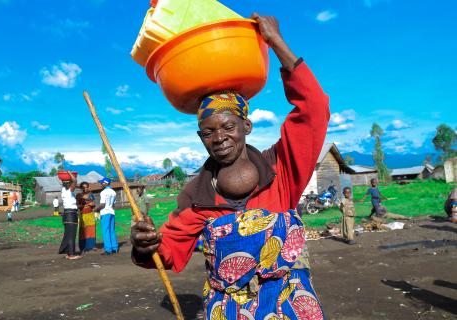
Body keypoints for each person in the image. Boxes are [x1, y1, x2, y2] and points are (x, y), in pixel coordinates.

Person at [131, 14, 329, 319]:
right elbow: (169, 251)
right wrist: (147, 246)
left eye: (228, 127)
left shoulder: (281, 169)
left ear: (246, 126)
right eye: (208, 133)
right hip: (229, 310)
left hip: (290, 306)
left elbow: (314, 108)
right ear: (200, 138)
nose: (219, 138)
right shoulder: (197, 196)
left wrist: (276, 41)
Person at [58, 171, 82, 260]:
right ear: (70, 184)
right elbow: (74, 181)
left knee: (68, 235)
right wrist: (69, 172)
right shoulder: (68, 191)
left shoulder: (64, 190)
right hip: (71, 214)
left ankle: (68, 253)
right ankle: (71, 255)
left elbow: (74, 183)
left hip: (67, 214)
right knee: (72, 235)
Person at [94, 178, 118, 255]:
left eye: (101, 183)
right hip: (112, 212)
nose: (100, 185)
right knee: (112, 230)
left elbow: (102, 205)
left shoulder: (103, 192)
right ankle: (114, 247)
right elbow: (114, 205)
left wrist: (96, 209)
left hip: (105, 213)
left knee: (106, 231)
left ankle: (108, 249)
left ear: (105, 183)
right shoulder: (114, 192)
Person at [76, 182, 97, 253]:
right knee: (83, 231)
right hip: (83, 215)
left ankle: (91, 246)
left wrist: (93, 204)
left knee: (91, 230)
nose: (85, 188)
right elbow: (77, 206)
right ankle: (83, 247)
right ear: (81, 188)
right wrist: (85, 205)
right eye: (83, 187)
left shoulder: (91, 195)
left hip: (90, 214)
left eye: (86, 187)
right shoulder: (79, 196)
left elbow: (94, 204)